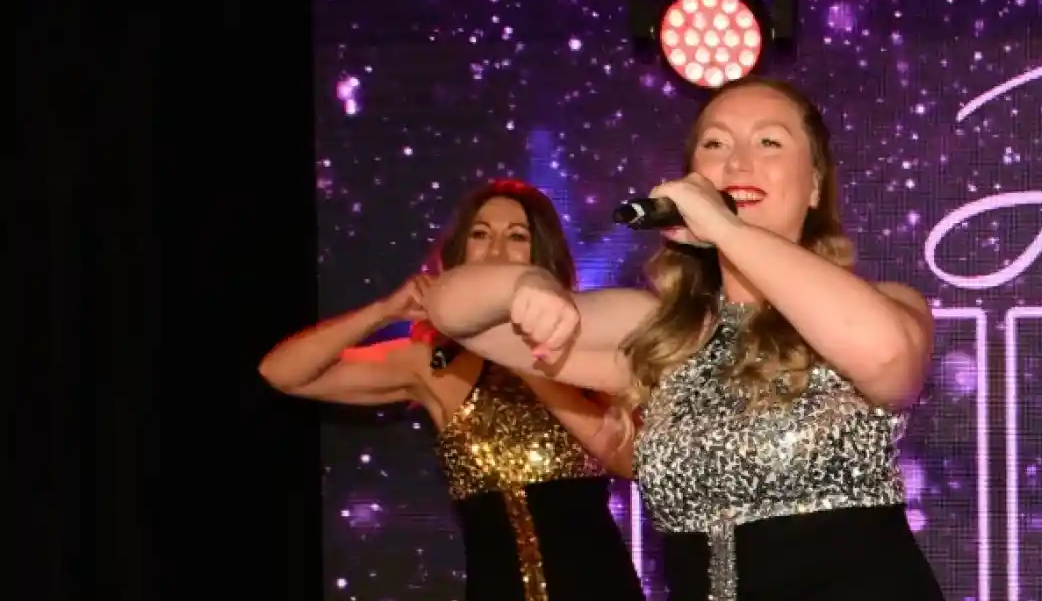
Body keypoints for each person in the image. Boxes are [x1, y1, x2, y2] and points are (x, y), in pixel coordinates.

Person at [423, 77, 942, 601]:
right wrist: (525, 283)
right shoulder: (663, 332)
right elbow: (451, 310)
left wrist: (726, 228)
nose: (738, 163)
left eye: (769, 142)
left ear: (813, 185)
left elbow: (888, 356)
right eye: (715, 144)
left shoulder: (886, 303)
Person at [260, 179, 645, 601]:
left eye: (517, 236)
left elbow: (631, 462)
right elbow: (282, 372)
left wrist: (532, 362)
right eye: (481, 234)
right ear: (461, 251)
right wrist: (382, 311)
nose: (496, 249)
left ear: (542, 256)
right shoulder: (433, 362)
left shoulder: (581, 346)